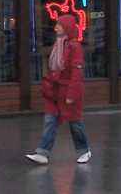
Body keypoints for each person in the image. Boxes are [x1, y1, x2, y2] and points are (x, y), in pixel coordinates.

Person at [26, 13, 92, 165]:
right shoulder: (59, 44)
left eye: (59, 25)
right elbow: (55, 68)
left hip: (68, 90)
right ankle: (42, 153)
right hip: (56, 91)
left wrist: (71, 94)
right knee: (50, 120)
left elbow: (76, 73)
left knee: (75, 122)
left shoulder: (74, 47)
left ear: (66, 27)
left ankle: (84, 150)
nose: (55, 28)